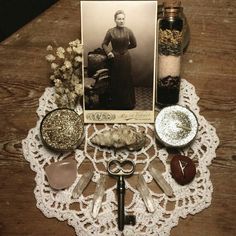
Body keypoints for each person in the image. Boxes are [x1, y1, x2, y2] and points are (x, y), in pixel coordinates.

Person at [102, 10, 137, 110]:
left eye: (123, 19)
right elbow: (104, 44)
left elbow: (134, 44)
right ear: (115, 20)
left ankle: (128, 103)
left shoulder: (129, 31)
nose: (121, 21)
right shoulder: (110, 31)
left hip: (126, 58)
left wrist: (125, 49)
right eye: (119, 19)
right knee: (115, 80)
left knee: (126, 79)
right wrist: (109, 52)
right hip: (114, 58)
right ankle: (115, 103)